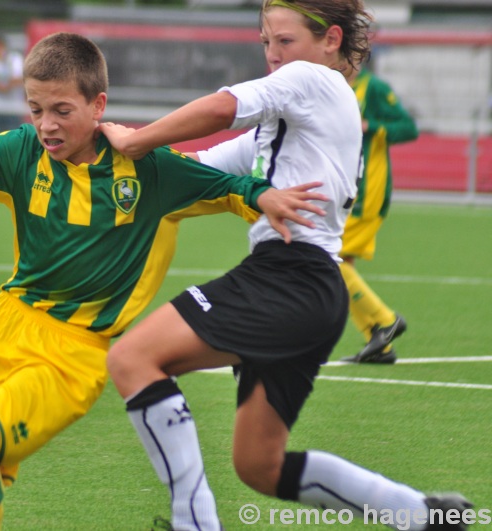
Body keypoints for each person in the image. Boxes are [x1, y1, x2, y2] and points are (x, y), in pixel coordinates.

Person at [0, 32, 327, 531]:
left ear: (97, 105)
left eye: (61, 110)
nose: (46, 126)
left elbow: (228, 187)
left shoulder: (147, 169)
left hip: (71, 355)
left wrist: (265, 197)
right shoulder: (17, 151)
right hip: (0, 327)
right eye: (35, 110)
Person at [99, 1, 472, 530]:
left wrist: (134, 139)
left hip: (289, 277)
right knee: (259, 466)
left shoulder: (313, 81)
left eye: (285, 42)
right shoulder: (293, 121)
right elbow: (196, 172)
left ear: (331, 40)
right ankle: (422, 517)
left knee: (133, 358)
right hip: (309, 290)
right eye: (265, 43)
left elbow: (226, 104)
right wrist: (102, 163)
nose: (274, 56)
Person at [338, 64, 419, 364]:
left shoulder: (373, 89)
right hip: (345, 191)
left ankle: (385, 321)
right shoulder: (331, 85)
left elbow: (408, 128)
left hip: (367, 192)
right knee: (340, 264)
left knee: (325, 257)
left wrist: (371, 126)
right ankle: (379, 342)